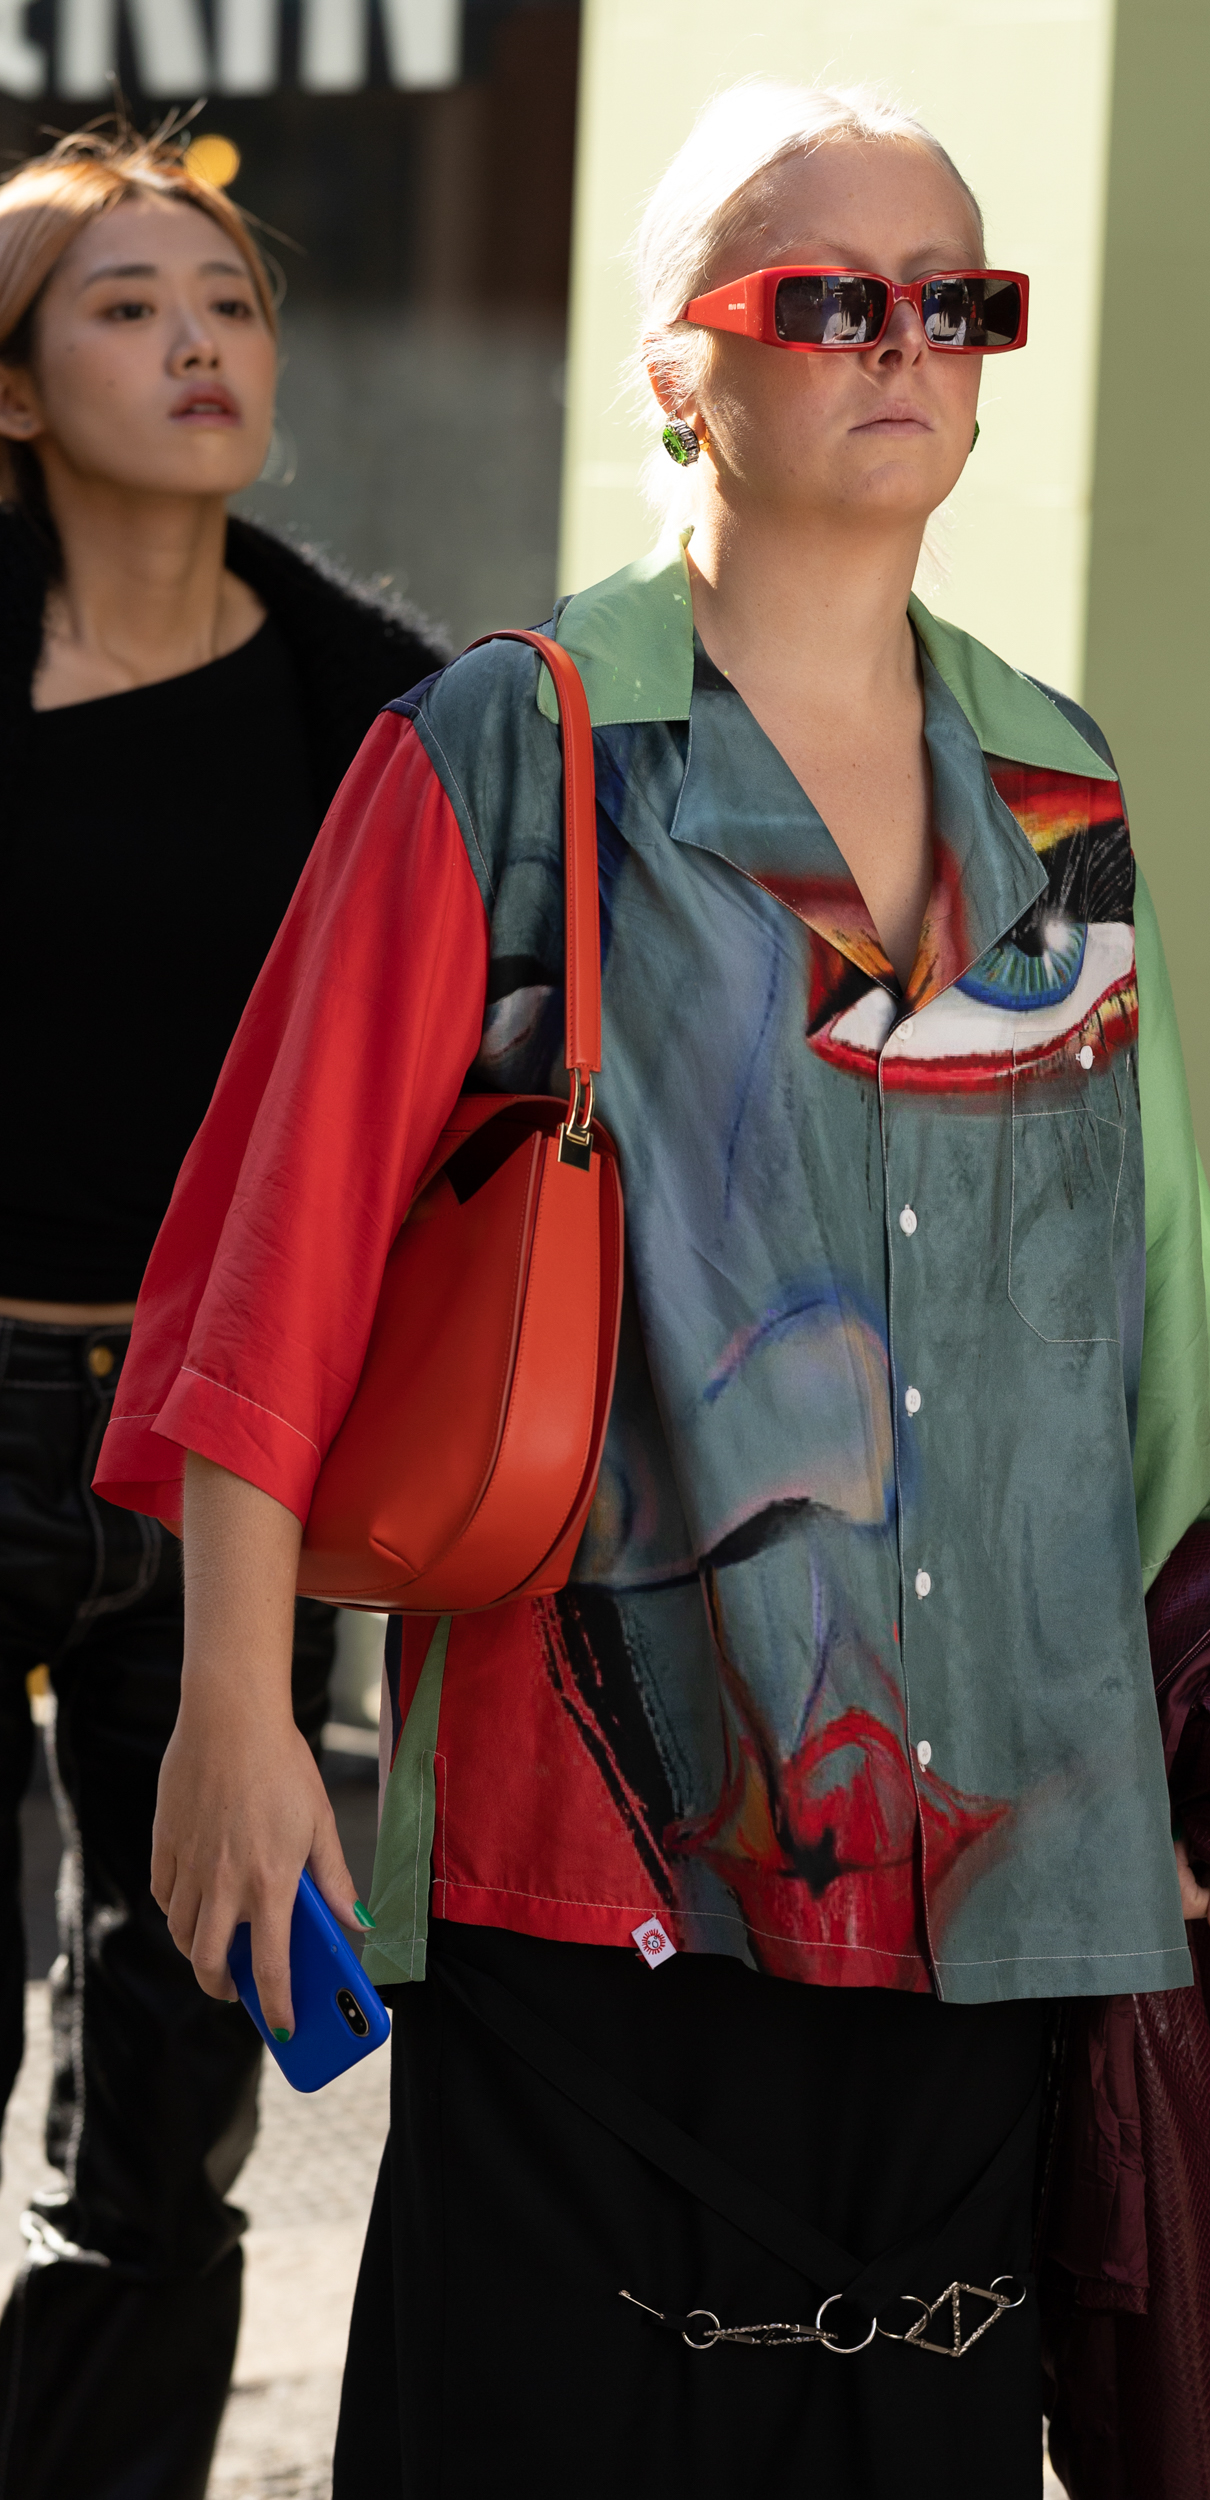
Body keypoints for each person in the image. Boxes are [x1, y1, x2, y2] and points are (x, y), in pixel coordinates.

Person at [98, 83, 1210, 2495]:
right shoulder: (507, 745)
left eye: (961, 300)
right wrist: (234, 1705)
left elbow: (1151, 1298)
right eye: (832, 297)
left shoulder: (1056, 785)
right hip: (593, 1848)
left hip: (1003, 1858)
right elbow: (274, 1249)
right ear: (679, 366)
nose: (911, 343)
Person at [0, 124, 445, 2500]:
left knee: (170, 2110)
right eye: (125, 303)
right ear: (12, 388)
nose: (199, 341)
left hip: (228, 1455)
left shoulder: (387, 719)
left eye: (232, 302)